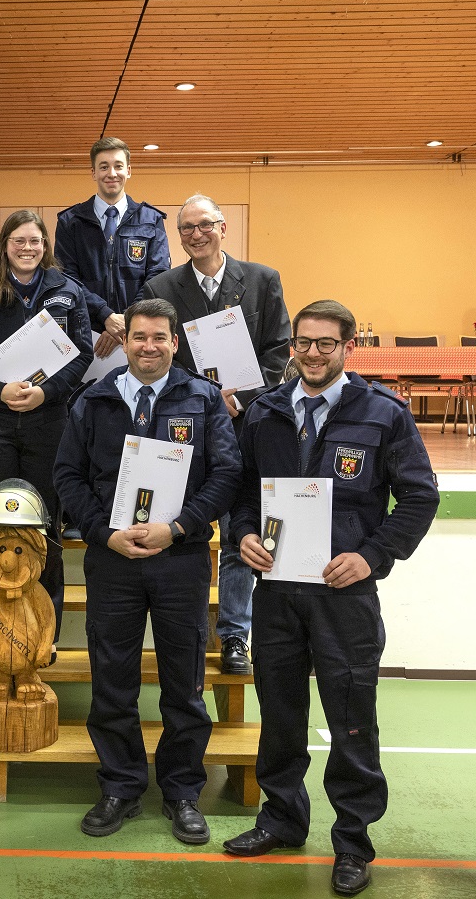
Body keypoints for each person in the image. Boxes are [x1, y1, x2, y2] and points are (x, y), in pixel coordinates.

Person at [222, 300, 438, 896]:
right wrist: (242, 536)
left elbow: (419, 498)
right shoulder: (264, 413)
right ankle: (283, 819)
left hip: (346, 596)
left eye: (326, 343)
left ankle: (352, 843)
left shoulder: (383, 413)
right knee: (281, 715)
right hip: (278, 593)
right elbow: (239, 493)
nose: (312, 353)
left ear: (348, 348)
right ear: (291, 346)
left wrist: (371, 556)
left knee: (350, 722)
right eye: (303, 342)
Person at [54, 298, 241, 845]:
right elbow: (68, 476)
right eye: (139, 337)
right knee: (113, 681)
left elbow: (226, 475)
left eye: (160, 337)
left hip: (179, 560)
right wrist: (104, 533)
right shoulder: (96, 400)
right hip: (112, 561)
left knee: (184, 684)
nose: (149, 346)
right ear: (124, 340)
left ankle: (183, 790)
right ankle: (120, 786)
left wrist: (178, 528)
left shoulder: (202, 400)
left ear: (175, 343)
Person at [144, 193, 292, 675]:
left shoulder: (262, 280)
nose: (196, 234)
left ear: (223, 227)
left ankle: (234, 636)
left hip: (248, 427)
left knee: (237, 534)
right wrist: (208, 398)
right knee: (182, 530)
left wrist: (243, 399)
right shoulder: (162, 285)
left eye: (205, 225)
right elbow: (159, 355)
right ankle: (183, 631)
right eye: (186, 228)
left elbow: (278, 352)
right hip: (186, 428)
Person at [0, 209, 94, 650]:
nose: (27, 248)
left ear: (46, 244)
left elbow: (82, 355)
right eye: (18, 240)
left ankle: (43, 631)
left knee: (44, 522)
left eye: (35, 241)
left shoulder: (68, 292)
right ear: (5, 244)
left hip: (48, 423)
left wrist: (46, 396)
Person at [54, 136, 171, 358]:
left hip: (139, 334)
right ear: (94, 173)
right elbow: (66, 277)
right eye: (104, 167)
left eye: (118, 166)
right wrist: (106, 315)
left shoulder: (151, 219)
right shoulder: (70, 221)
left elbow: (158, 276)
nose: (111, 173)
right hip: (87, 334)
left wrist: (126, 320)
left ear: (129, 170)